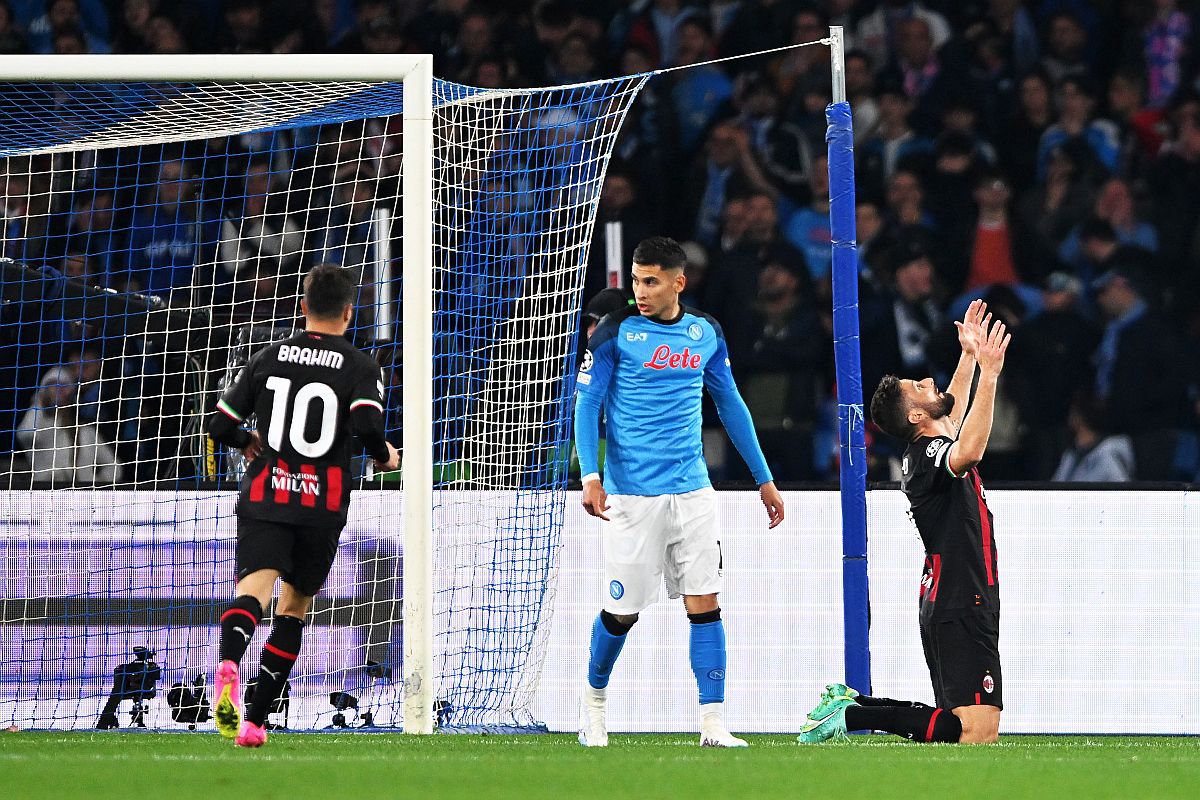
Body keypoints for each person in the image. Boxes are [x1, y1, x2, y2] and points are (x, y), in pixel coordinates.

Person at [574, 236, 784, 748]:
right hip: (632, 496)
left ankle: (713, 723)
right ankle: (593, 709)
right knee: (623, 612)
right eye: (636, 280)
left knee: (705, 603)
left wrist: (763, 477)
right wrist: (590, 476)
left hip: (693, 491)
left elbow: (731, 405)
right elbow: (587, 404)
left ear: (678, 283)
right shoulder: (614, 332)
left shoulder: (705, 332)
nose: (641, 291)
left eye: (651, 281)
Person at [205, 263, 400, 748]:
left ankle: (229, 662)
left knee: (253, 595)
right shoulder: (360, 365)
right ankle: (254, 723)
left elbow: (220, 425)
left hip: (267, 494)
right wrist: (384, 455)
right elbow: (366, 426)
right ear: (349, 313)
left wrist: (247, 439)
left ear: (302, 307)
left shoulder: (268, 356)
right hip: (321, 503)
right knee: (292, 610)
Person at [800, 300, 1009, 745]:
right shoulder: (931, 457)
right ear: (916, 416)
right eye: (920, 387)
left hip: (957, 595)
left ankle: (853, 706)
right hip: (959, 596)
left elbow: (951, 417)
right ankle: (851, 714)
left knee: (967, 725)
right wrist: (990, 374)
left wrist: (969, 356)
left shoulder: (926, 448)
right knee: (976, 732)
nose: (930, 382)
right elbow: (969, 449)